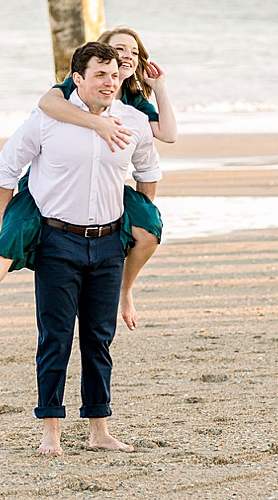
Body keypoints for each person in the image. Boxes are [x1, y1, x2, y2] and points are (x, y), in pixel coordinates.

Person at [0, 41, 162, 457]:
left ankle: (100, 429)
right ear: (77, 79)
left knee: (99, 340)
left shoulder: (134, 121)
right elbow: (5, 171)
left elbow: (148, 171)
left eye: (114, 75)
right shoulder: (47, 120)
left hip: (107, 244)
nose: (109, 82)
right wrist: (12, 225)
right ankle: (51, 431)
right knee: (55, 339)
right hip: (57, 241)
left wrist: (137, 214)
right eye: (99, 75)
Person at [36, 27, 175, 324]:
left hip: (109, 182)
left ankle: (125, 290)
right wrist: (97, 123)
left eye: (134, 52)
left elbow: (168, 134)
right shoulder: (78, 85)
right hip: (63, 177)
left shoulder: (134, 100)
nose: (127, 56)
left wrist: (160, 87)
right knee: (16, 235)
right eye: (120, 49)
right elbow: (46, 103)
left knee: (149, 230)